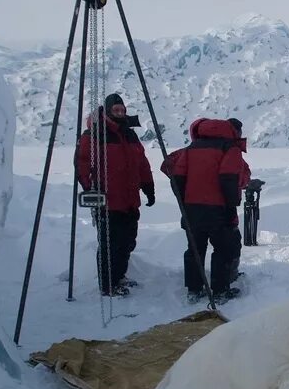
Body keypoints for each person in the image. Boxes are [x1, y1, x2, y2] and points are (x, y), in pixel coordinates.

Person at [74, 93, 154, 296]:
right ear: (108, 111)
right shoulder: (94, 134)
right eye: (115, 110)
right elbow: (82, 163)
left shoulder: (129, 134)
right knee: (110, 243)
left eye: (122, 110)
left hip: (129, 199)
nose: (119, 113)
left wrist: (148, 186)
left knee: (128, 240)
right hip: (108, 200)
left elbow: (142, 163)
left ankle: (119, 276)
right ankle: (108, 285)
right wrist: (89, 187)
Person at [164, 117, 249, 302]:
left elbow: (177, 177)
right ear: (234, 132)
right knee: (222, 249)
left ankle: (194, 290)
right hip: (218, 208)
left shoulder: (191, 148)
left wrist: (185, 202)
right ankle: (219, 292)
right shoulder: (230, 148)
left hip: (192, 210)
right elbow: (229, 178)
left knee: (195, 249)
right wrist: (231, 205)